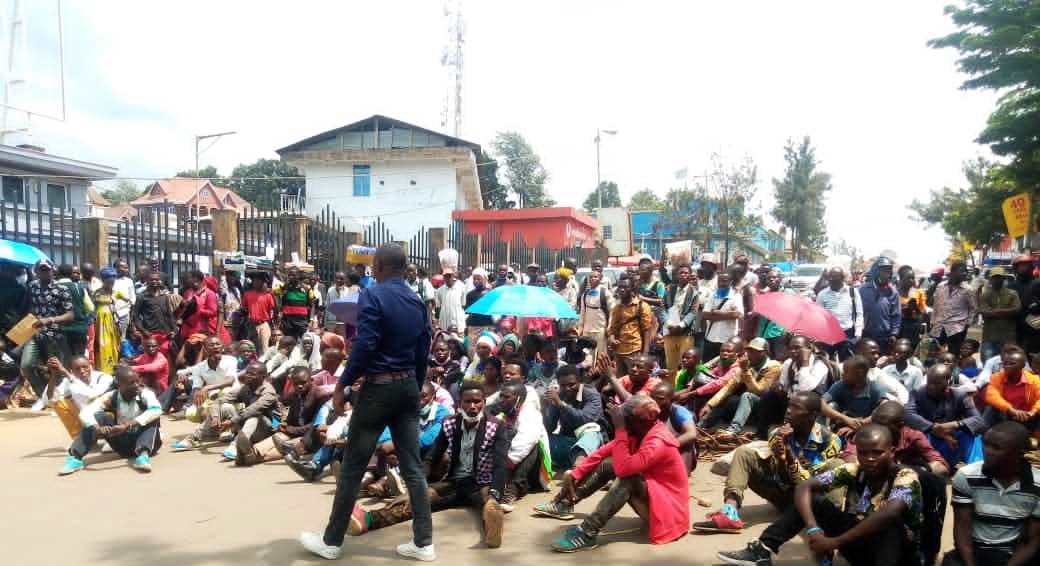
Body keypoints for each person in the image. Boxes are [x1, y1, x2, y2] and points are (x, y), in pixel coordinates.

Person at [300, 243, 434, 562]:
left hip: (379, 388)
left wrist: (342, 384)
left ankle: (331, 541)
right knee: (413, 466)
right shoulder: (417, 301)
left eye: (374, 263)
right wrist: (413, 386)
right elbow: (422, 349)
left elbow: (367, 343)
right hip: (407, 387)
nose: (371, 268)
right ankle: (424, 543)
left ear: (383, 265)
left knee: (353, 466)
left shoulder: (373, 294)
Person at [718, 424, 924, 566]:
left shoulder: (905, 476)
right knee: (814, 501)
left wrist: (835, 542)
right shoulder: (854, 470)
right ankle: (763, 549)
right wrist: (813, 528)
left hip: (898, 555)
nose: (869, 458)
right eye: (863, 452)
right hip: (862, 547)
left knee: (890, 524)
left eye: (877, 452)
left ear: (892, 451)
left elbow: (888, 514)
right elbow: (804, 487)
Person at [345, 380, 509, 548]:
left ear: (484, 402)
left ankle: (493, 530)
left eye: (477, 401)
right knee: (416, 500)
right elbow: (431, 458)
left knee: (488, 506)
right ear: (460, 403)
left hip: (482, 483)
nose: (473, 406)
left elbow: (500, 465)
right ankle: (369, 520)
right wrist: (415, 489)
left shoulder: (496, 426)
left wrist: (495, 494)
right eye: (468, 401)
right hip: (454, 482)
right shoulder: (450, 423)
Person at [539, 395, 689, 552]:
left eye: (626, 421)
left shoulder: (658, 441)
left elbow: (624, 470)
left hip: (669, 515)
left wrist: (620, 429)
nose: (623, 424)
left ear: (641, 421)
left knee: (629, 478)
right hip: (657, 500)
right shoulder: (640, 432)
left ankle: (587, 532)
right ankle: (564, 503)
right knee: (608, 465)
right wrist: (574, 474)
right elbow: (601, 453)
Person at [693, 391, 842, 534]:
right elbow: (783, 480)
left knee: (836, 464)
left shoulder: (830, 441)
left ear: (813, 416)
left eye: (796, 408)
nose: (788, 411)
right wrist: (781, 460)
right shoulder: (777, 434)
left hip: (811, 499)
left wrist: (788, 453)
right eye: (789, 405)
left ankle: (832, 521)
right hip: (783, 495)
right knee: (744, 453)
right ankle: (729, 513)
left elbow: (806, 483)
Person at [944, 421, 1040, 566]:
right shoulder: (966, 476)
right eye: (985, 444)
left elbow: (1031, 540)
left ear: (1019, 453)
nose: (987, 451)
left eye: (996, 448)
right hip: (976, 551)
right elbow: (962, 529)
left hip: (1014, 554)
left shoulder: (1037, 484)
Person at [59, 366, 162, 475]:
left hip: (147, 443)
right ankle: (75, 458)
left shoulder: (145, 394)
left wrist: (128, 425)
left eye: (137, 381)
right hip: (123, 445)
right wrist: (97, 428)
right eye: (131, 383)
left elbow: (156, 410)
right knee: (99, 417)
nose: (137, 385)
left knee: (152, 418)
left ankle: (143, 457)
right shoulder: (111, 396)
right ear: (119, 385)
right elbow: (86, 412)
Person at [906, 363, 985, 466]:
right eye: (930, 382)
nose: (931, 386)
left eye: (937, 383)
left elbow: (979, 421)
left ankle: (975, 469)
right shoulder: (917, 393)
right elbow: (907, 414)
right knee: (914, 433)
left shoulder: (959, 395)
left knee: (973, 435)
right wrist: (933, 427)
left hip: (953, 437)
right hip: (928, 435)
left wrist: (954, 424)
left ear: (948, 382)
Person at [699, 338, 781, 435]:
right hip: (749, 404)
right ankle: (704, 424)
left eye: (754, 352)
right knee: (729, 397)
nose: (749, 354)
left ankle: (734, 429)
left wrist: (745, 370)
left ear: (764, 353)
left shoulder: (773, 367)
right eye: (749, 351)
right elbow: (729, 386)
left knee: (747, 395)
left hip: (765, 405)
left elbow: (759, 391)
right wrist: (710, 404)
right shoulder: (748, 364)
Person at [168, 337, 240, 444]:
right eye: (211, 345)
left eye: (218, 344)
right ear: (205, 349)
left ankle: (197, 436)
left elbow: (230, 381)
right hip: (214, 397)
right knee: (191, 412)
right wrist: (197, 395)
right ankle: (218, 428)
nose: (215, 347)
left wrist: (206, 388)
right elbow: (196, 386)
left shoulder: (230, 360)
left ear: (222, 347)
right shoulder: (199, 367)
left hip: (233, 395)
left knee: (224, 396)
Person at [21, 259, 74, 396]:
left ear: (52, 271)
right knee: (26, 366)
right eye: (41, 270)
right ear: (37, 272)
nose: (44, 273)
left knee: (56, 370)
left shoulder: (62, 289)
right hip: (34, 334)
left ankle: (58, 398)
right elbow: (27, 308)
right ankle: (42, 395)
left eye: (47, 270)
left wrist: (49, 320)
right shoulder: (32, 287)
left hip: (54, 335)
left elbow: (70, 315)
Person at [544, 365, 604, 470]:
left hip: (591, 445)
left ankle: (578, 467)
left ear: (580, 382)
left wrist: (561, 405)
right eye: (562, 385)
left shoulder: (591, 394)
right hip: (568, 443)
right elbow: (549, 427)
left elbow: (585, 419)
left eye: (571, 385)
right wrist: (546, 408)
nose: (567, 389)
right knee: (541, 439)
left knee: (591, 431)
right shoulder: (559, 396)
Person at [223, 362, 281, 466]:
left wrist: (232, 421)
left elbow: (253, 409)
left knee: (254, 416)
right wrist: (215, 417)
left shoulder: (269, 392)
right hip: (249, 425)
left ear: (263, 376)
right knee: (225, 406)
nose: (247, 376)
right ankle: (195, 437)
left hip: (268, 429)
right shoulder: (246, 387)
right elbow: (221, 400)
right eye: (247, 373)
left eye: (252, 374)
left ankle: (235, 445)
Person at [42, 355, 113, 438]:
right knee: (59, 403)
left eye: (85, 367)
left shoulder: (104, 377)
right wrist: (54, 375)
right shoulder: (69, 381)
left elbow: (92, 394)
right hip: (86, 418)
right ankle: (80, 438)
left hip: (106, 416)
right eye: (77, 369)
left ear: (90, 365)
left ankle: (110, 436)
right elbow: (49, 399)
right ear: (72, 371)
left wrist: (66, 373)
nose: (82, 371)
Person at [821, 355, 886, 434]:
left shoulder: (875, 389)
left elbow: (885, 410)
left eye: (846, 371)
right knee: (831, 405)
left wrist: (859, 425)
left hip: (869, 428)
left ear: (860, 374)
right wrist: (844, 418)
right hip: (843, 424)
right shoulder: (841, 384)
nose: (842, 374)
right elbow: (821, 403)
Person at [606, 278, 654, 376]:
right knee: (621, 381)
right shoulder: (617, 308)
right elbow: (612, 329)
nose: (622, 290)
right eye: (620, 287)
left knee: (635, 379)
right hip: (618, 351)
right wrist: (611, 338)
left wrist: (645, 353)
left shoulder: (642, 306)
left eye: (625, 287)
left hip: (634, 350)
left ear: (632, 289)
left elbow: (647, 331)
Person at [983, 348, 1040, 431]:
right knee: (991, 408)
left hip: (1028, 416)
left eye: (1012, 364)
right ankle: (984, 434)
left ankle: (1036, 439)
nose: (1006, 366)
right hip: (1007, 414)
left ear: (1022, 365)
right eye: (1005, 363)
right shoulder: (997, 377)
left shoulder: (1034, 380)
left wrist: (1033, 412)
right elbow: (991, 396)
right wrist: (1011, 410)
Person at [814, 266, 864, 361]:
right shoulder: (822, 294)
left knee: (847, 363)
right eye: (831, 277)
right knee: (828, 363)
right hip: (829, 335)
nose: (832, 280)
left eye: (836, 277)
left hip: (848, 335)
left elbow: (859, 314)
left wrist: (858, 334)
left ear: (842, 278)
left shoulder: (852, 292)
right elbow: (818, 317)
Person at [930, 262, 977, 358]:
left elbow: (973, 309)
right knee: (935, 355)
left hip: (957, 329)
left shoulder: (968, 290)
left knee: (953, 356)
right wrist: (932, 321)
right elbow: (936, 305)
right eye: (962, 271)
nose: (964, 273)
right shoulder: (940, 286)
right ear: (953, 272)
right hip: (938, 327)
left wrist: (966, 324)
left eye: (966, 271)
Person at [649, 381, 698, 474]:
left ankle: (681, 475)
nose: (654, 401)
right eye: (652, 397)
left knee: (687, 445)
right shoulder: (648, 410)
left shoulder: (679, 412)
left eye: (660, 399)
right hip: (654, 451)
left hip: (676, 450)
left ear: (671, 400)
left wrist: (665, 446)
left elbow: (691, 434)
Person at [978, 267, 1021, 363]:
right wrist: (1006, 312)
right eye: (994, 277)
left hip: (1008, 335)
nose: (997, 280)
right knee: (987, 362)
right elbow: (983, 311)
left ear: (1003, 278)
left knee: (1009, 362)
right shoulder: (985, 294)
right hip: (989, 335)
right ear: (990, 279)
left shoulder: (1012, 293)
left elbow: (1017, 309)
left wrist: (995, 312)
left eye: (999, 277)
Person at [858, 256, 901, 353]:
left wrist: (894, 334)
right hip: (866, 335)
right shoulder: (862, 290)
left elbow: (896, 315)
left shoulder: (893, 292)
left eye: (890, 271)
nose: (888, 275)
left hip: (885, 337)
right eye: (885, 271)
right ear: (876, 271)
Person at [130, 271, 176, 358]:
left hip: (165, 334)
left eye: (157, 280)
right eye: (152, 280)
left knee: (165, 358)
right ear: (147, 281)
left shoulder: (164, 296)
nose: (155, 281)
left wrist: (174, 330)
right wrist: (143, 331)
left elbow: (170, 315)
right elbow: (135, 316)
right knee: (150, 358)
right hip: (150, 334)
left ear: (160, 281)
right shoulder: (142, 297)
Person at [663, 264, 699, 373]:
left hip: (685, 333)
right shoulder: (670, 289)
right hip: (670, 332)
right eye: (681, 273)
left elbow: (693, 312)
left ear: (690, 275)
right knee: (670, 365)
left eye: (686, 273)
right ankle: (671, 389)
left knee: (685, 365)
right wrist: (669, 324)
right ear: (677, 275)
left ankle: (681, 388)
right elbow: (662, 308)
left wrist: (680, 326)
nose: (683, 275)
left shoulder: (694, 292)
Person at [702, 271, 744, 362]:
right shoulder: (713, 295)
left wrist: (717, 313)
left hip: (727, 340)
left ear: (730, 282)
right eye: (720, 281)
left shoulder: (736, 296)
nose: (722, 284)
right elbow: (705, 314)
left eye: (725, 281)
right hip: (711, 337)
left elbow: (738, 314)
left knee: (724, 365)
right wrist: (729, 314)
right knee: (707, 365)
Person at [56, 263, 91, 359]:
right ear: (71, 273)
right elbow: (90, 308)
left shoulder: (54, 287)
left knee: (65, 359)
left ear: (58, 273)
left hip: (62, 330)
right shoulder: (79, 287)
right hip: (80, 329)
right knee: (80, 358)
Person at [577, 269, 612, 357]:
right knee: (587, 355)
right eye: (591, 277)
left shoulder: (605, 293)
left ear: (600, 279)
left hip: (600, 330)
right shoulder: (585, 294)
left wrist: (609, 328)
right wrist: (580, 329)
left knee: (600, 355)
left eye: (595, 277)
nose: (593, 279)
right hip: (587, 330)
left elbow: (612, 311)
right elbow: (582, 312)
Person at [177, 270, 218, 342]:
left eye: (190, 279)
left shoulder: (209, 294)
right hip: (186, 330)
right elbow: (183, 309)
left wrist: (198, 310)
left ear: (196, 280)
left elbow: (213, 312)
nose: (188, 282)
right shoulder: (188, 292)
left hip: (200, 330)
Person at [241, 273, 276, 354]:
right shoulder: (247, 294)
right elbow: (243, 308)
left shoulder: (268, 295)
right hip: (251, 324)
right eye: (254, 280)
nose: (255, 282)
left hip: (263, 324)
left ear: (262, 282)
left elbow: (272, 310)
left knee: (265, 349)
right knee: (250, 348)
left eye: (258, 281)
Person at [276, 266, 314, 340]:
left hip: (302, 321)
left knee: (303, 342)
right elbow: (274, 292)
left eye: (293, 275)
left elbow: (312, 305)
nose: (290, 277)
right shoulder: (285, 287)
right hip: (288, 321)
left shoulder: (307, 289)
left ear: (298, 276)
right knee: (289, 342)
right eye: (289, 275)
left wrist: (311, 320)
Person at [465, 268, 495, 356]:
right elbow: (468, 311)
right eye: (474, 279)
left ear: (485, 279)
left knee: (487, 348)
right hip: (474, 326)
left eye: (478, 278)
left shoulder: (490, 293)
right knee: (473, 350)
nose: (476, 281)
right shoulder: (470, 294)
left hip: (487, 325)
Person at [897, 265, 927, 348]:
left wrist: (915, 308)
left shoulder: (918, 292)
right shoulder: (894, 293)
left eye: (913, 278)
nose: (912, 280)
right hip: (899, 326)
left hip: (913, 327)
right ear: (901, 278)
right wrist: (903, 309)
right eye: (909, 278)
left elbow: (923, 313)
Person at [435, 268, 467, 335]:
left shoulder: (461, 287)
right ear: (443, 277)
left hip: (458, 325)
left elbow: (463, 304)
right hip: (444, 325)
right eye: (445, 276)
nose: (447, 278)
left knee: (459, 343)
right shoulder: (440, 291)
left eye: (449, 276)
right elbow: (438, 307)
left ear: (453, 276)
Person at [112, 258, 136, 339]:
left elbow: (132, 298)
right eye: (124, 267)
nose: (127, 270)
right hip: (111, 313)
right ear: (117, 268)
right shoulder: (111, 280)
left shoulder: (129, 281)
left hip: (124, 313)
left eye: (127, 268)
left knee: (122, 337)